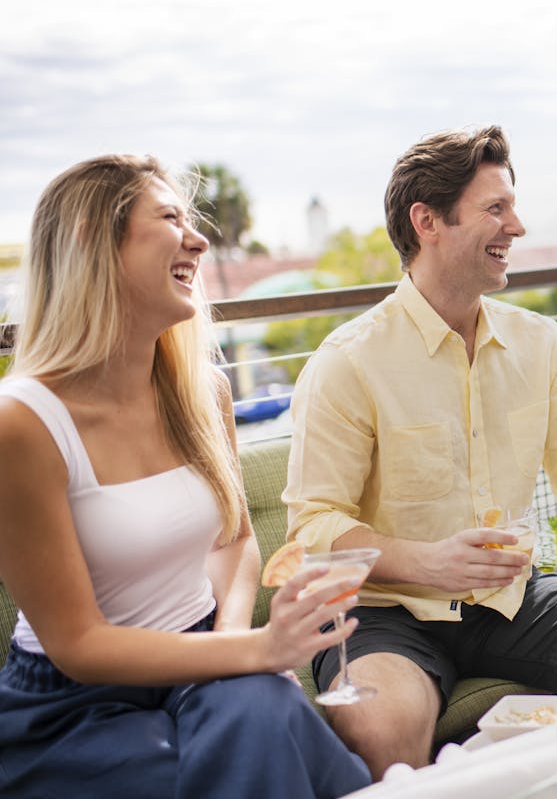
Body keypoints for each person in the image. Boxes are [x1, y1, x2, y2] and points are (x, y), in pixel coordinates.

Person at [283, 125, 557, 777]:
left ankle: (525, 788)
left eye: (513, 206)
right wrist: (428, 563)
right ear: (428, 222)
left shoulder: (541, 345)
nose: (517, 225)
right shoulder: (348, 363)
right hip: (388, 612)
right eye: (495, 208)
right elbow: (314, 529)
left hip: (510, 600)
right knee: (381, 727)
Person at [0, 156, 371, 797]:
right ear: (91, 239)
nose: (199, 240)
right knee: (258, 747)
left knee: (263, 715)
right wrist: (257, 653)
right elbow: (78, 643)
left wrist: (232, 648)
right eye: (170, 219)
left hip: (205, 657)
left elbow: (234, 540)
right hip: (75, 706)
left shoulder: (205, 392)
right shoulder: (23, 424)